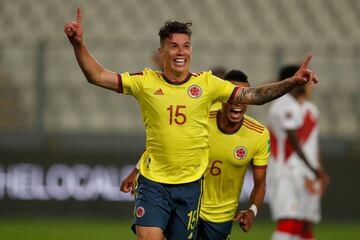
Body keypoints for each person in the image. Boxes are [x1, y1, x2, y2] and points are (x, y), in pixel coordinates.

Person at [64, 8, 318, 240]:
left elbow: (253, 96)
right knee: (148, 237)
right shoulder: (145, 82)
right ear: (162, 51)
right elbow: (96, 75)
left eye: (186, 46)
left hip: (190, 186)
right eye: (173, 46)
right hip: (154, 183)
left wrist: (291, 83)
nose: (181, 52)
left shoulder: (207, 84)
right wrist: (78, 44)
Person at [121, 69, 270, 240]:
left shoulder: (259, 134)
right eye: (234, 97)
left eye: (243, 98)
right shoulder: (202, 115)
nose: (238, 102)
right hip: (186, 200)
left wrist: (253, 210)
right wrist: (136, 170)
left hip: (220, 216)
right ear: (224, 97)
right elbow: (166, 142)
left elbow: (260, 182)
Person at [267, 65, 329, 240]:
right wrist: (315, 171)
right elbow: (294, 143)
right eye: (306, 79)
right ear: (295, 81)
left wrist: (318, 171)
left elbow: (313, 145)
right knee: (289, 220)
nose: (310, 84)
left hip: (307, 173)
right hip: (286, 172)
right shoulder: (282, 105)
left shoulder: (311, 110)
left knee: (305, 223)